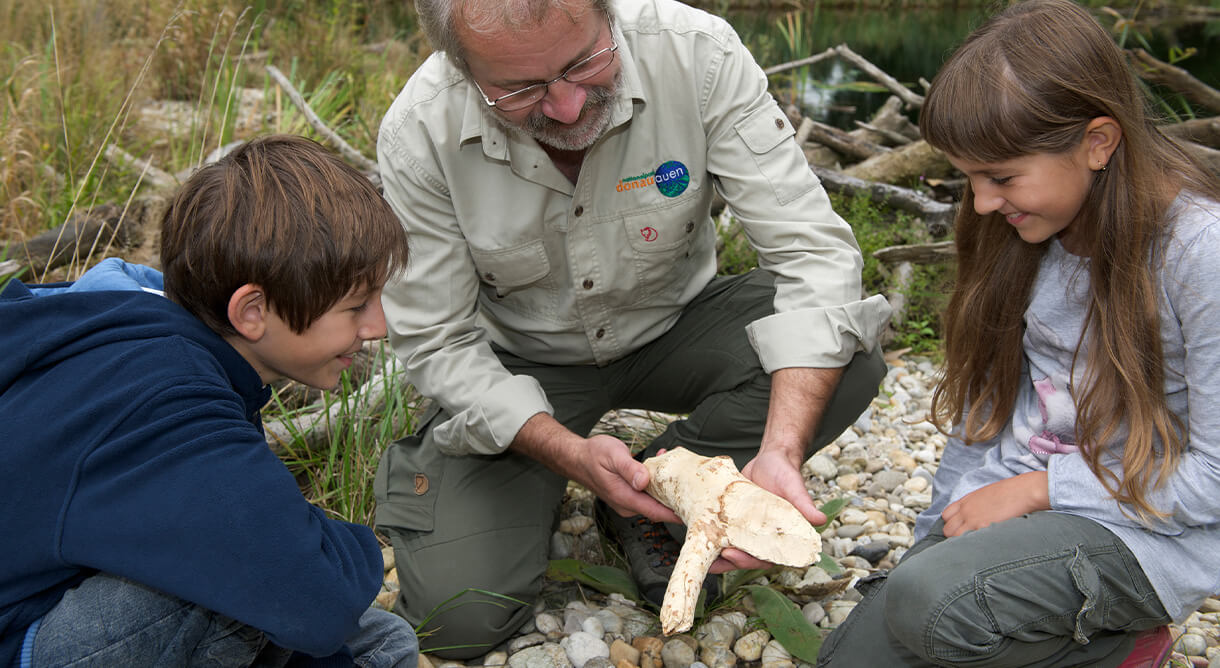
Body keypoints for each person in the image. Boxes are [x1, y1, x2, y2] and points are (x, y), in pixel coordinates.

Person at [373, 0, 892, 656]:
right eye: (519, 89)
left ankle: (652, 486)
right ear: (461, 65)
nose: (566, 107)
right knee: (460, 619)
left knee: (848, 356)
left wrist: (781, 449)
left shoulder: (697, 54)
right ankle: (558, 483)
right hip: (520, 362)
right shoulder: (421, 130)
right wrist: (568, 454)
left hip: (677, 323)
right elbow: (439, 341)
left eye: (584, 63)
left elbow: (812, 255)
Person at [816, 1, 1220, 666]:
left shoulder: (1198, 253)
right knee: (860, 647)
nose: (980, 202)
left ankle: (1118, 647)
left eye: (1001, 177)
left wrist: (1043, 488)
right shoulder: (1017, 232)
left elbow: (1212, 479)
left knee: (932, 605)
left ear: (1098, 142)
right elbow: (985, 414)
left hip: (1144, 536)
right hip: (1014, 508)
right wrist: (928, 542)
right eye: (970, 177)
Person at [0, 135, 419, 667]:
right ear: (252, 311)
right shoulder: (168, 397)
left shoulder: (128, 311)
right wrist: (332, 545)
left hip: (52, 594)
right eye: (356, 306)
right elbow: (321, 598)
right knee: (232, 575)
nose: (379, 326)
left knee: (381, 642)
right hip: (22, 639)